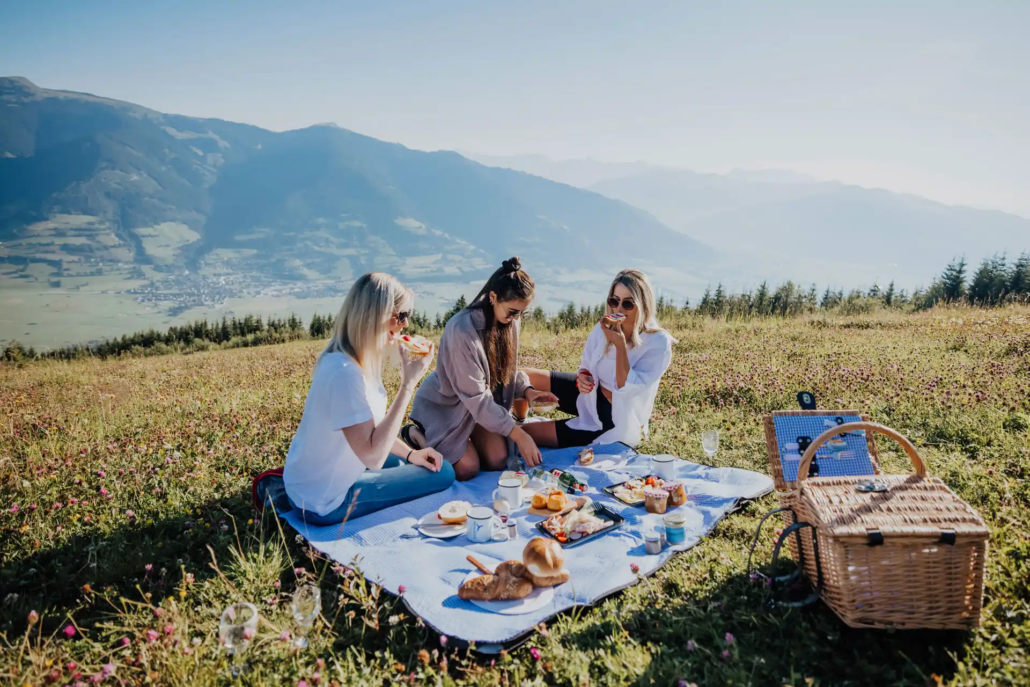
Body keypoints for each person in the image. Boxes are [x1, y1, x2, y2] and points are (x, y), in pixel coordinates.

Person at [283, 272, 454, 526]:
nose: (405, 325)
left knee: (418, 462)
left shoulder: (346, 358)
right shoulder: (345, 374)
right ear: (378, 315)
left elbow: (370, 429)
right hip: (324, 501)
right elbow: (373, 457)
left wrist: (410, 455)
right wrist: (408, 384)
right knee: (444, 474)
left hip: (306, 485)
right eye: (402, 315)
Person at [406, 257, 559, 480]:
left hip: (477, 411)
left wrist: (528, 392)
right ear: (493, 297)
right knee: (468, 468)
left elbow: (506, 372)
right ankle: (416, 435)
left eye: (521, 313)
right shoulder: (461, 330)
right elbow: (476, 397)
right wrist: (519, 435)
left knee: (497, 460)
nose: (516, 318)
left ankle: (466, 441)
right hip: (447, 408)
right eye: (512, 312)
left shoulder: (509, 322)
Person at [521, 269, 674, 448]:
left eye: (628, 304)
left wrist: (620, 345)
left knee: (524, 434)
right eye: (614, 301)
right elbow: (586, 362)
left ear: (643, 305)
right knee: (522, 375)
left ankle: (510, 429)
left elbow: (628, 389)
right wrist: (583, 375)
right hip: (589, 394)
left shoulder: (658, 342)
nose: (618, 309)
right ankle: (512, 413)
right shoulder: (606, 325)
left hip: (612, 417)